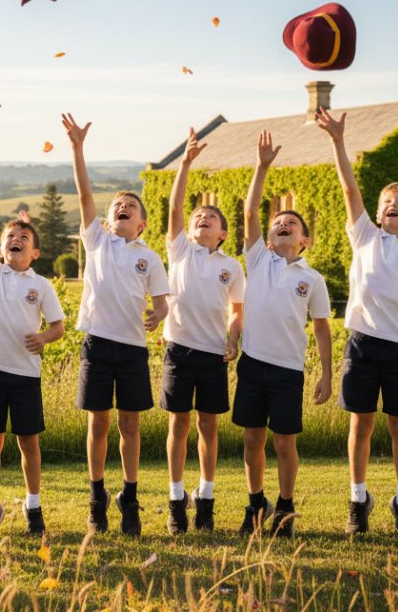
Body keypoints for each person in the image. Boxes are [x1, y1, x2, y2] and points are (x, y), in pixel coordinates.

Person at [316, 107, 398, 541]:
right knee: (360, 423)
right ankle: (358, 499)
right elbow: (348, 187)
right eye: (387, 202)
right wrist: (338, 141)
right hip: (360, 345)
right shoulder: (365, 237)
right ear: (376, 214)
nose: (392, 205)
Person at [63, 112, 169, 536]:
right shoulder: (97, 239)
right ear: (106, 221)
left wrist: (160, 313)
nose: (123, 208)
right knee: (98, 422)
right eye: (117, 207)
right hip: (96, 344)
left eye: (132, 207)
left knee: (130, 424)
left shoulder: (150, 257)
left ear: (142, 224)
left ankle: (130, 494)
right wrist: (77, 147)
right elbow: (84, 192)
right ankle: (96, 495)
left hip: (131, 350)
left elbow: (162, 303)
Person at [234, 130, 333, 539]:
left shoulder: (312, 279)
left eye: (290, 224)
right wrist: (262, 166)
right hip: (252, 364)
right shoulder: (258, 260)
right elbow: (251, 210)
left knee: (284, 444)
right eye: (278, 224)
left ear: (303, 240)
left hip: (288, 370)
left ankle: (285, 508)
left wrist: (327, 374)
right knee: (253, 440)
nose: (282, 226)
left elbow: (324, 329)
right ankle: (256, 503)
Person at [0, 158, 66, 536]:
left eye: (24, 238)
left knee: (28, 444)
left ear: (34, 252)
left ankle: (33, 506)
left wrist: (44, 338)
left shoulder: (42, 286)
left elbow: (58, 327)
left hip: (25, 376)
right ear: (2, 249)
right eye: (10, 238)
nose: (16, 241)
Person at [161, 128, 245, 534]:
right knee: (178, 424)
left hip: (213, 354)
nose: (201, 218)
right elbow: (177, 204)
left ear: (223, 233)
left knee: (208, 426)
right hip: (178, 350)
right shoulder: (178, 248)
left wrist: (233, 337)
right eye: (198, 217)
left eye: (210, 218)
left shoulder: (232, 267)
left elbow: (237, 310)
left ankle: (206, 496)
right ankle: (177, 498)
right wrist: (186, 163)